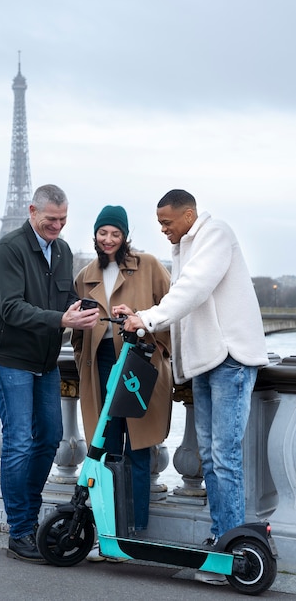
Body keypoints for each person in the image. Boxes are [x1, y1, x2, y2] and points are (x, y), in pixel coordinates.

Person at [117, 189, 268, 585]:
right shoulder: (185, 247)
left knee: (223, 458)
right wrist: (142, 317)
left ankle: (232, 551)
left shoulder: (215, 234)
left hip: (230, 359)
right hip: (208, 363)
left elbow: (193, 290)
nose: (163, 230)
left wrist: (147, 319)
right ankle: (223, 539)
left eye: (167, 222)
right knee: (213, 460)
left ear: (188, 215)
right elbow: (183, 302)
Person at [0, 184, 99, 563]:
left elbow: (60, 299)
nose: (58, 227)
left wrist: (88, 309)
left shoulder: (61, 251)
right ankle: (19, 531)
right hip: (9, 357)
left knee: (48, 438)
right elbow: (12, 309)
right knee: (19, 441)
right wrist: (61, 319)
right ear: (32, 212)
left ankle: (28, 519)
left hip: (43, 361)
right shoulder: (8, 250)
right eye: (51, 220)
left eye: (63, 220)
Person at [72, 205, 172, 560]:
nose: (109, 240)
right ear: (95, 235)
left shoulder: (150, 266)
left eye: (115, 233)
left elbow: (172, 313)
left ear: (125, 236)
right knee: (107, 452)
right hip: (101, 370)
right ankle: (109, 534)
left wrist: (151, 337)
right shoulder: (85, 274)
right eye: (103, 233)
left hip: (139, 367)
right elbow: (78, 327)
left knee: (140, 450)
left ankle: (137, 533)